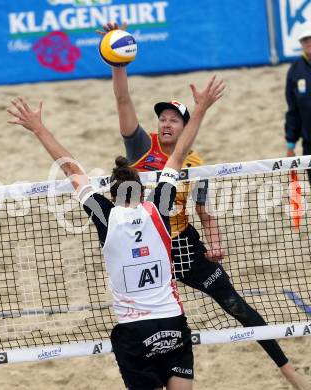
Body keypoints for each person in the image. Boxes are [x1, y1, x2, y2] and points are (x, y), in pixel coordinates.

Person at [98, 21, 311, 390]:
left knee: (237, 306)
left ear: (184, 128)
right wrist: (118, 65)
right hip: (145, 248)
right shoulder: (140, 148)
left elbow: (204, 211)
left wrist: (215, 241)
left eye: (174, 120)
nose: (165, 124)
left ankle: (289, 371)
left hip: (182, 245)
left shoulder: (195, 165)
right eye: (162, 118)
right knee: (141, 324)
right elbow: (122, 101)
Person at [6, 75, 224, 390]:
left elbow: (71, 169)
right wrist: (200, 109)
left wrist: (38, 128)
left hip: (135, 332)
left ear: (113, 195)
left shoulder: (104, 217)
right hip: (173, 323)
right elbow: (178, 155)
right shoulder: (160, 211)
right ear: (141, 192)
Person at [285, 26, 311, 184]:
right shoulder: (295, 70)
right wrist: (290, 143)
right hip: (309, 142)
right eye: (305, 40)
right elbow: (293, 110)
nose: (308, 42)